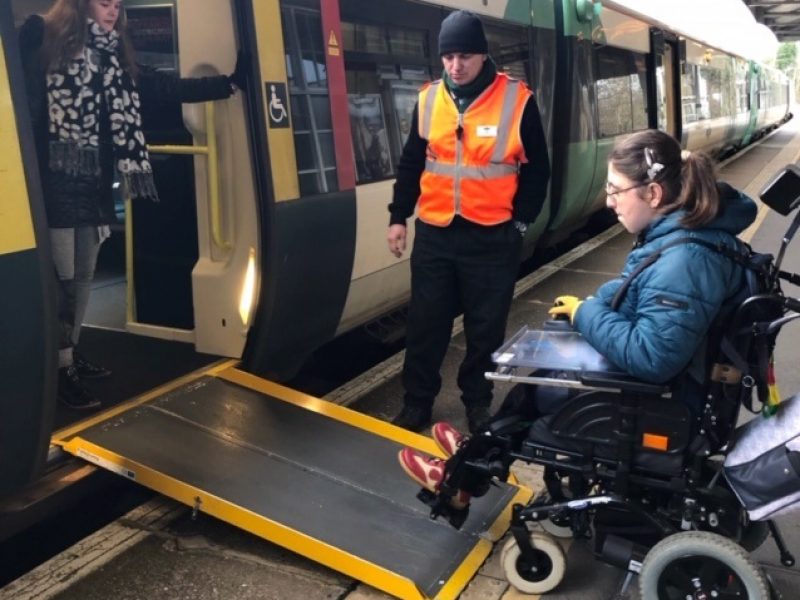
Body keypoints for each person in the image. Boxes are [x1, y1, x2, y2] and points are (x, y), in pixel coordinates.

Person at [398, 128, 757, 503]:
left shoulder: (684, 262)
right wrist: (586, 309)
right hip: (678, 389)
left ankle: (463, 481)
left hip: (664, 403)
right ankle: (482, 450)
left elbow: (653, 358)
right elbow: (633, 291)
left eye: (615, 190)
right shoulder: (685, 235)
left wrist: (587, 314)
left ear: (653, 193)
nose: (608, 201)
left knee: (544, 389)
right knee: (543, 378)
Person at [18, 0, 248, 410]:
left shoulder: (111, 56)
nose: (114, 12)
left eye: (118, 5)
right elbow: (24, 107)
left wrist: (226, 84)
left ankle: (68, 353)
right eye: (105, 3)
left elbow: (160, 87)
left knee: (83, 277)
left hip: (92, 187)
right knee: (62, 282)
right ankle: (57, 370)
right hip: (54, 186)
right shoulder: (40, 36)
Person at [387, 10, 550, 434]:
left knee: (485, 329)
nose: (455, 66)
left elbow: (538, 170)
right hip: (436, 234)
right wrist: (398, 216)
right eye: (447, 57)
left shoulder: (517, 100)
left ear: (483, 56)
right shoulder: (428, 100)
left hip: (493, 238)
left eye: (464, 56)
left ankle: (477, 404)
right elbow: (410, 162)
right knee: (425, 325)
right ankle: (416, 402)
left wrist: (520, 224)